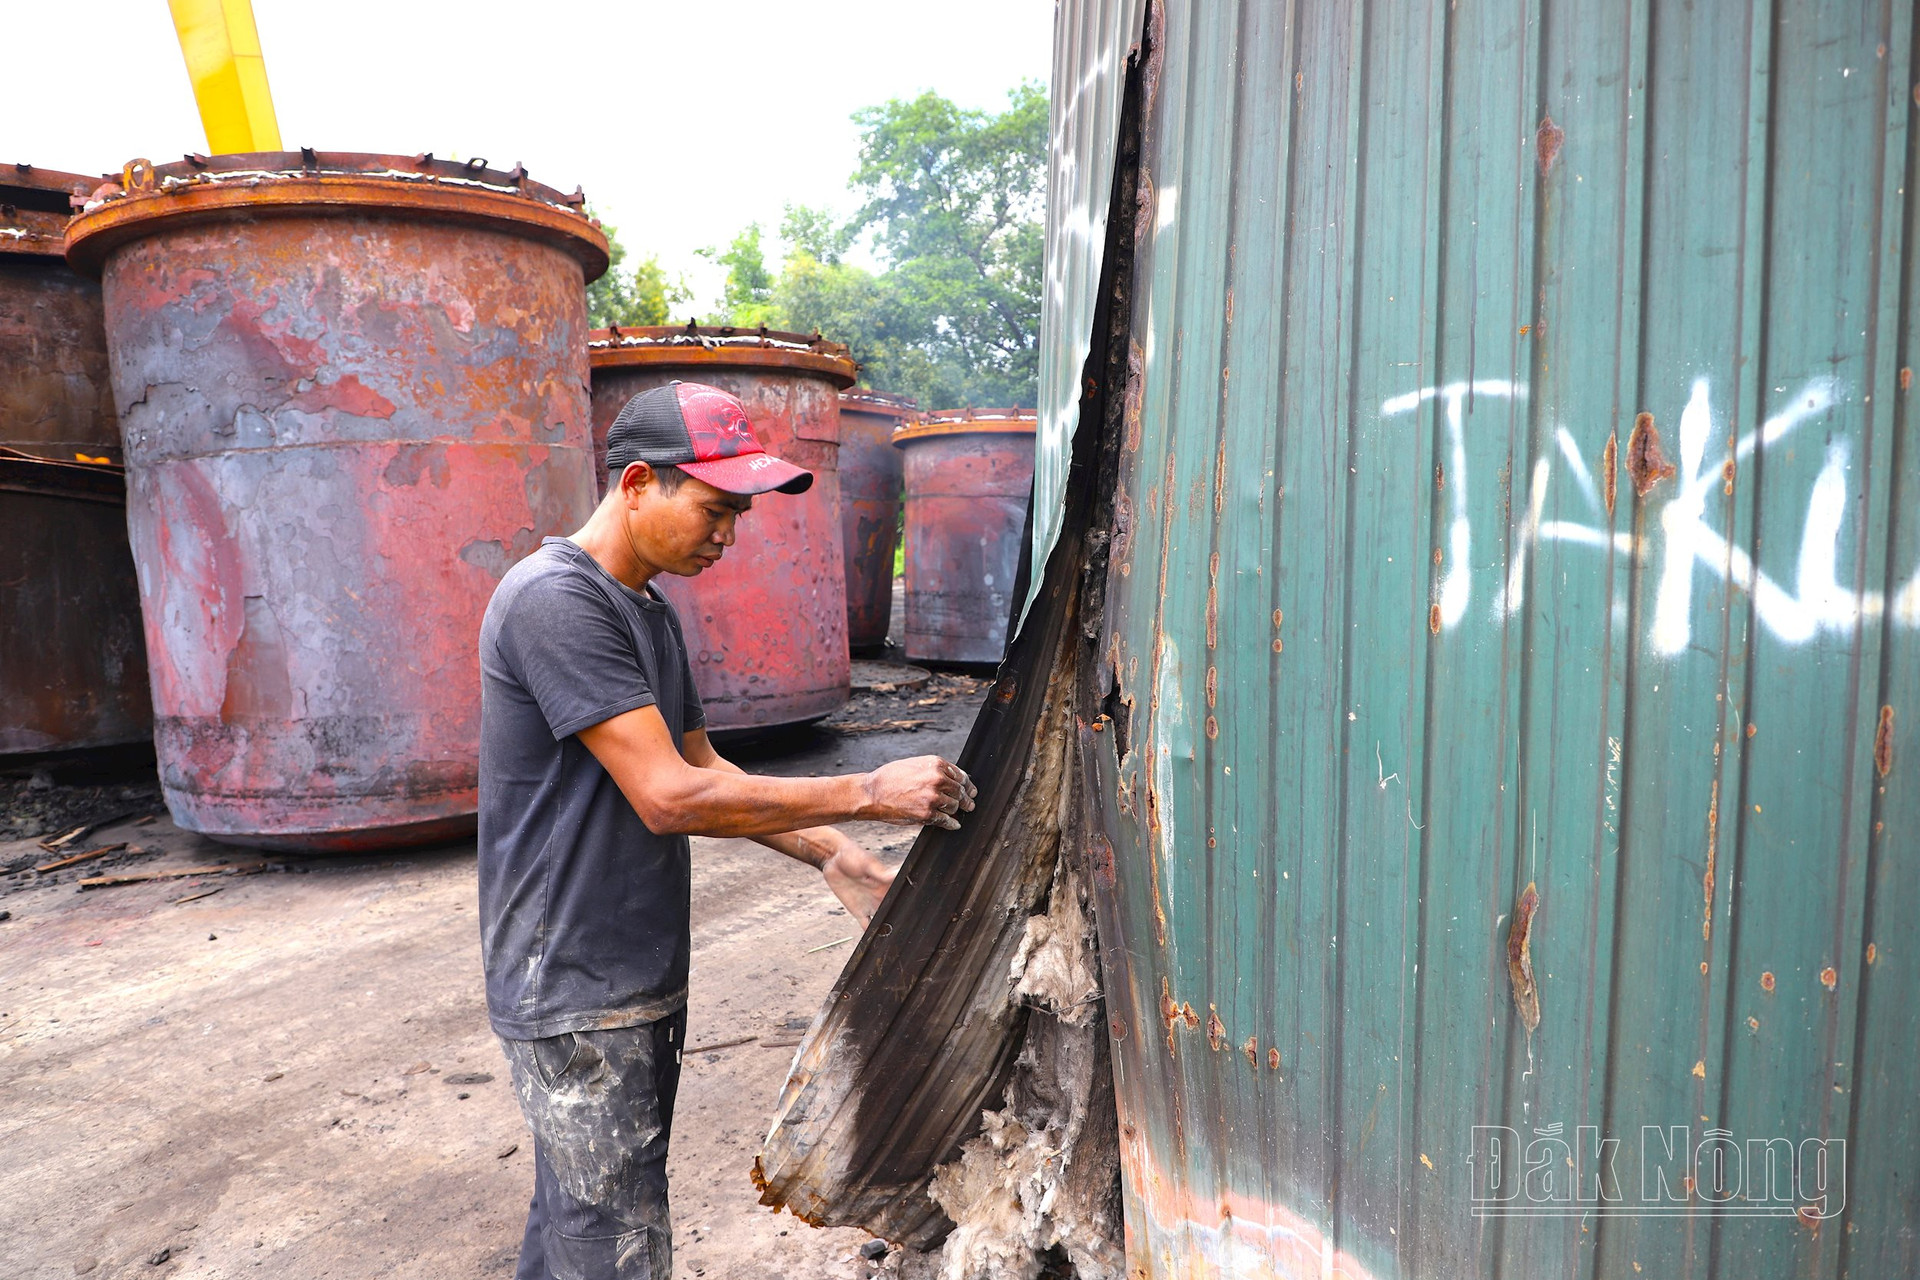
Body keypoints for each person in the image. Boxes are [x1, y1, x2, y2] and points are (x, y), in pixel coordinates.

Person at [476, 381, 975, 1280]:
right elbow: (669, 798)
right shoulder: (557, 600)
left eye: (737, 515)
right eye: (713, 509)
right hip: (575, 986)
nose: (728, 534)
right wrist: (865, 790)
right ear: (637, 484)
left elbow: (710, 773)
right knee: (614, 1248)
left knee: (577, 1227)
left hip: (629, 970)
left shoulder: (649, 611)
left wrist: (839, 855)